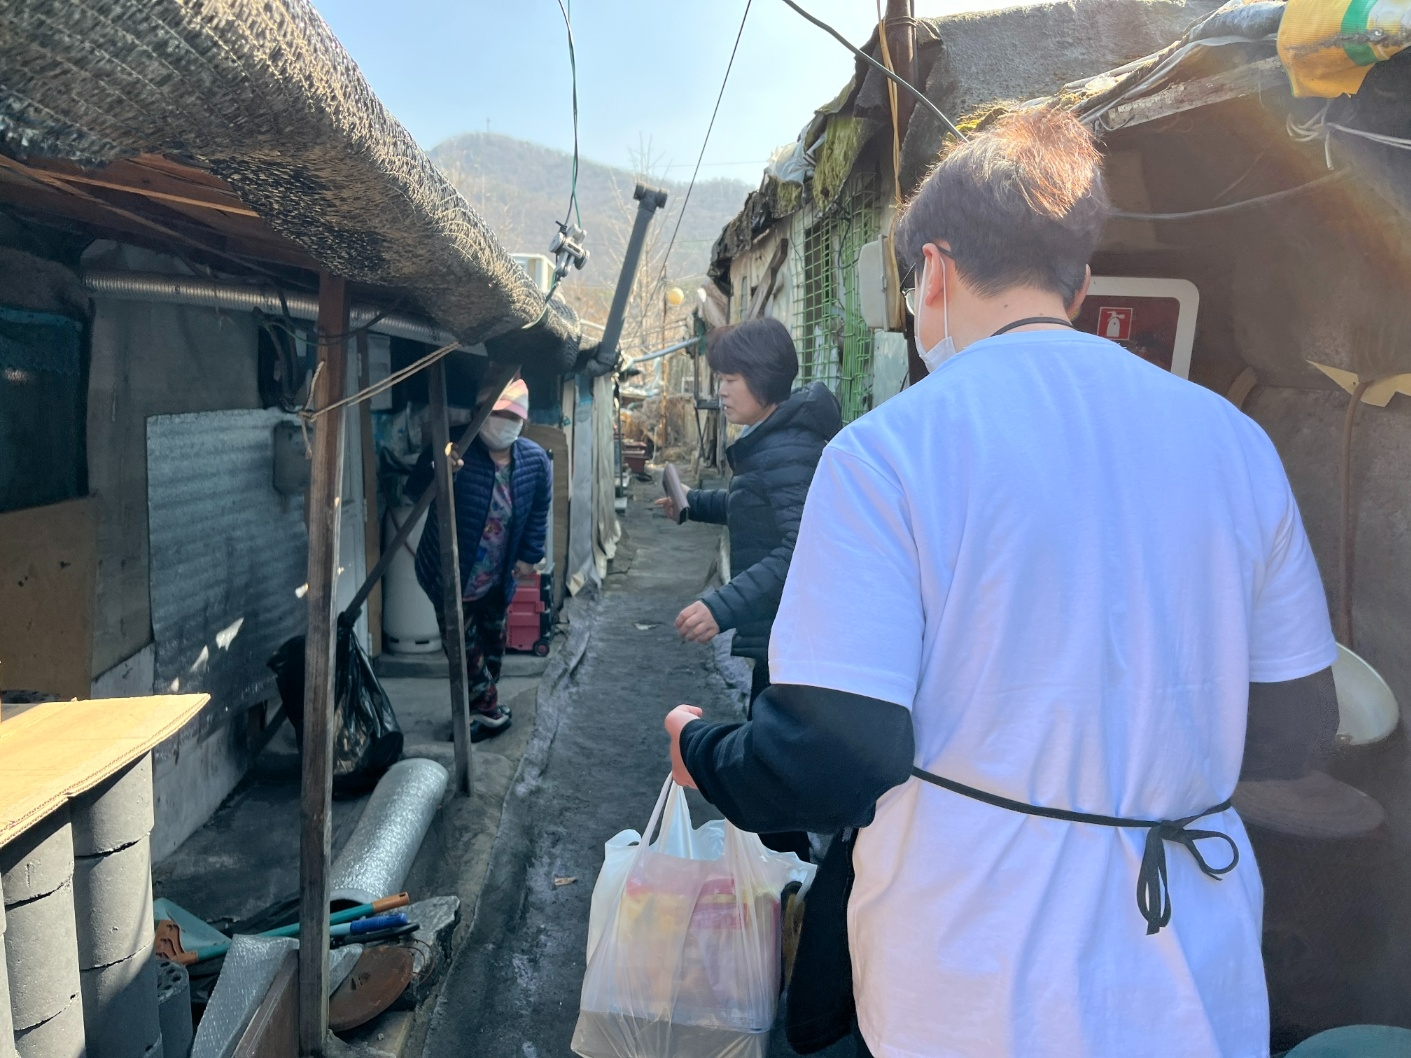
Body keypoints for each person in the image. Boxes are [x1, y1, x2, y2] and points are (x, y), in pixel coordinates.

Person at [664, 108, 1338, 1058]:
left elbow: (832, 757)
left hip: (973, 966)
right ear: (1079, 283)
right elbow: (1295, 725)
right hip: (1189, 961)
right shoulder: (1238, 444)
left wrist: (702, 750)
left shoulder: (890, 452)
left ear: (932, 272)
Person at [656, 317, 842, 708]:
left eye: (730, 380)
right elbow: (757, 508)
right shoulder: (774, 438)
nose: (721, 391)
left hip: (794, 641)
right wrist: (693, 503)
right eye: (719, 379)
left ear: (763, 378)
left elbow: (803, 549)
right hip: (781, 634)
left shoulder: (789, 448)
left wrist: (720, 607)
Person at [410, 378, 550, 742]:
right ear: (477, 414)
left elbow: (538, 513)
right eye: (495, 413)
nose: (504, 422)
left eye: (513, 416)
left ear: (524, 421)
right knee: (463, 650)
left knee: (492, 645)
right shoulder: (453, 447)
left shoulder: (535, 460)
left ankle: (483, 711)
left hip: (498, 576)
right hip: (449, 574)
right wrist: (439, 469)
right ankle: (489, 710)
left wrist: (530, 556)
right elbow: (414, 493)